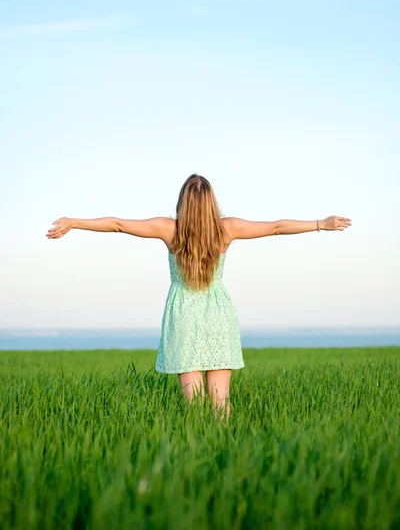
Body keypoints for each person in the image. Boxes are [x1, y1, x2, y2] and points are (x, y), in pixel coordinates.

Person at [46, 173, 352, 419]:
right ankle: (224, 460)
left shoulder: (169, 230)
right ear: (211, 203)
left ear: (182, 202)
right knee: (221, 402)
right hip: (218, 314)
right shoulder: (227, 229)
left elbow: (118, 225)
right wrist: (320, 225)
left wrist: (75, 222)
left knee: (194, 406)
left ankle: (199, 456)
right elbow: (275, 228)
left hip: (183, 314)